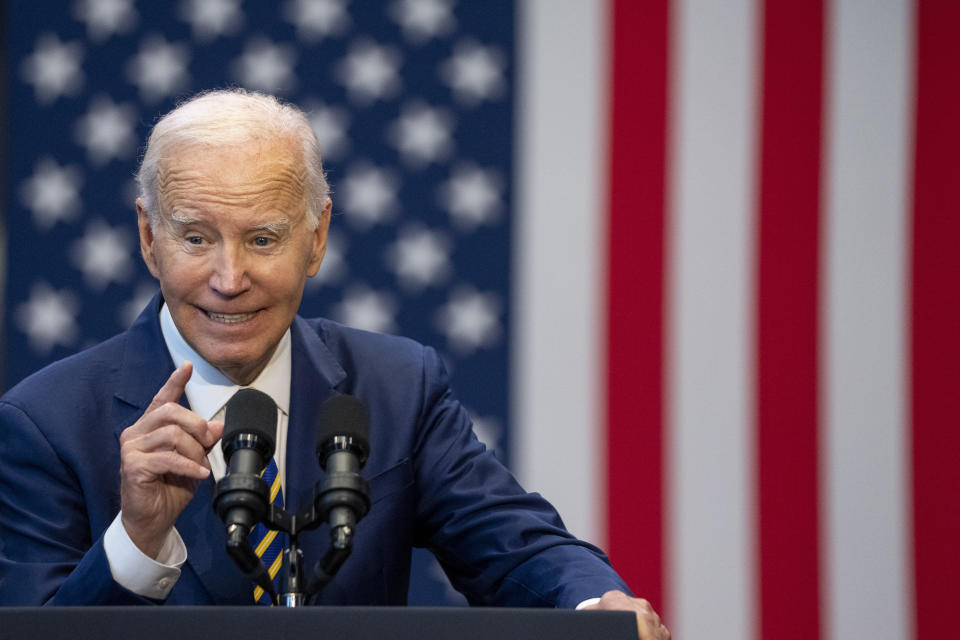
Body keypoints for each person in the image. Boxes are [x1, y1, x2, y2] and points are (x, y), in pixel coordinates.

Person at [0, 90, 668, 639]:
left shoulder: (397, 387)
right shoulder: (46, 424)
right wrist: (139, 539)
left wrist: (595, 610)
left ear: (316, 238)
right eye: (196, 238)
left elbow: (515, 543)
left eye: (263, 239)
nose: (228, 279)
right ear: (150, 237)